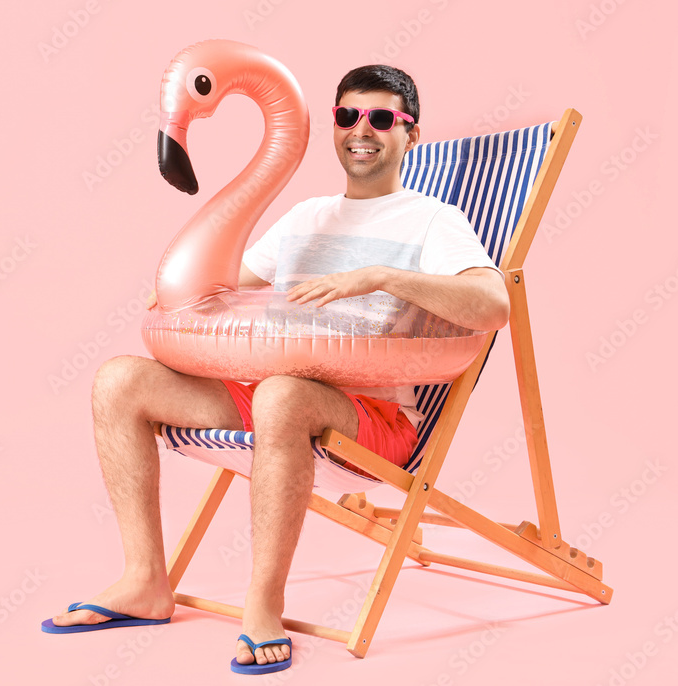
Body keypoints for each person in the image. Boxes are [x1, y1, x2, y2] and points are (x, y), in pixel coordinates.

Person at [43, 65, 510, 673]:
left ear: (409, 134)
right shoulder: (306, 217)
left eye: (381, 118)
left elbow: (494, 304)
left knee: (283, 396)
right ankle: (144, 582)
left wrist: (381, 277)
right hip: (267, 396)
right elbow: (222, 286)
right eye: (347, 116)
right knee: (120, 380)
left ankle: (262, 604)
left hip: (372, 419)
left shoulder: (431, 220)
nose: (360, 130)